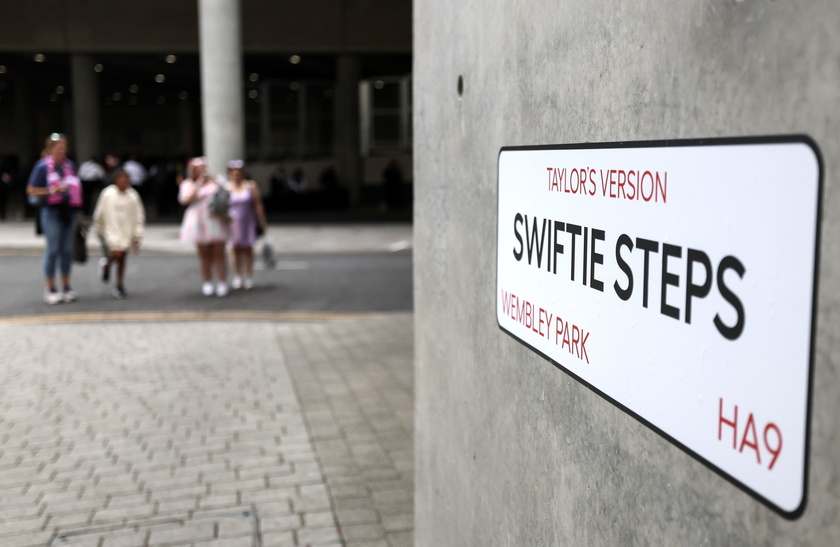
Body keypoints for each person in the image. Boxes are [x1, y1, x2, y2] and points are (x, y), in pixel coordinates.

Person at [26, 133, 84, 304]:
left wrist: (78, 213)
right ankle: (50, 288)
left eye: (64, 147)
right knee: (52, 250)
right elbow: (31, 190)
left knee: (66, 250)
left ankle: (66, 286)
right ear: (51, 149)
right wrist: (51, 191)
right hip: (51, 211)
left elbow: (76, 190)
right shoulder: (42, 166)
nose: (63, 150)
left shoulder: (70, 165)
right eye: (59, 147)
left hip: (70, 211)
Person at [178, 157, 230, 296]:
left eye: (204, 168)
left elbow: (226, 194)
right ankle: (207, 282)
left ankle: (222, 281)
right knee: (204, 255)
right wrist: (199, 183)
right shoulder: (188, 184)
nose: (202, 171)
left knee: (219, 254)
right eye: (199, 169)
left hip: (215, 220)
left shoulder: (216, 181)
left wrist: (214, 181)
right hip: (198, 221)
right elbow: (185, 200)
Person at [92, 168, 145, 299]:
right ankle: (106, 266)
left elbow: (139, 216)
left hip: (126, 231)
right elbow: (100, 213)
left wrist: (137, 234)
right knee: (117, 252)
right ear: (115, 180)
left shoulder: (133, 195)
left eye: (126, 179)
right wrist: (98, 229)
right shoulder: (107, 194)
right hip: (112, 230)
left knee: (122, 258)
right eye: (121, 179)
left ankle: (119, 285)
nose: (124, 182)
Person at [226, 159, 267, 290]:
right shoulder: (226, 187)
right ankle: (237, 276)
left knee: (248, 249)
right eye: (234, 172)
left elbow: (257, 204)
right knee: (235, 250)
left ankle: (248, 276)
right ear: (230, 173)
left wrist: (262, 221)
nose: (236, 174)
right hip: (232, 223)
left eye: (239, 171)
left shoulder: (250, 186)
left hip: (248, 221)